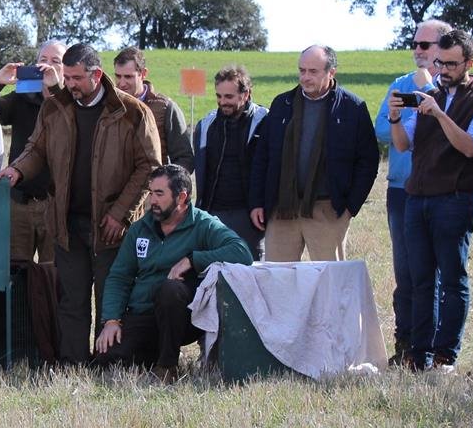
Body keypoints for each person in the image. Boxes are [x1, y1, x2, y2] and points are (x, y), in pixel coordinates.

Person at [0, 43, 160, 364]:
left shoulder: (132, 113)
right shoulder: (54, 109)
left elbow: (150, 167)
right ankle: (73, 363)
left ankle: (108, 362)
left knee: (110, 300)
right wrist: (16, 169)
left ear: (96, 75)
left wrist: (121, 214)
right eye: (66, 77)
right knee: (70, 300)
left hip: (112, 228)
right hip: (66, 225)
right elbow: (36, 150)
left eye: (75, 77)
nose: (69, 84)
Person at [388, 29, 473, 372]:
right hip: (417, 197)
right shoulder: (428, 95)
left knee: (452, 279)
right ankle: (417, 354)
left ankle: (445, 355)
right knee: (421, 280)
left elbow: (469, 146)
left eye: (451, 64)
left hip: (454, 199)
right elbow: (403, 144)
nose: (443, 70)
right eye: (439, 62)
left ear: (469, 62)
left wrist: (438, 113)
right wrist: (395, 115)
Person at [95, 164, 254, 381]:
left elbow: (242, 252)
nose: (152, 201)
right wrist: (112, 320)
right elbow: (119, 276)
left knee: (170, 290)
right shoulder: (139, 229)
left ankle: (167, 366)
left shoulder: (204, 224)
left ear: (181, 197)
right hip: (143, 313)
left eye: (159, 194)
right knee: (106, 359)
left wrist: (193, 259)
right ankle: (150, 354)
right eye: (151, 193)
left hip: (183, 317)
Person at [249, 45, 380, 262]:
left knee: (329, 281)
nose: (305, 77)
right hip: (283, 208)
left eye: (313, 71)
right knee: (278, 280)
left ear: (331, 72)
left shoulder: (352, 108)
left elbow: (368, 162)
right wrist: (256, 202)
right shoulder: (282, 104)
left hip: (328, 209)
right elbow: (262, 157)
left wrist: (349, 209)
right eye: (302, 70)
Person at [374, 19, 450, 365]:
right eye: (415, 44)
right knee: (405, 272)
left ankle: (430, 347)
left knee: (434, 274)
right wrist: (406, 118)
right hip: (401, 190)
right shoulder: (401, 84)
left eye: (426, 45)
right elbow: (381, 128)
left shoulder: (453, 88)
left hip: (441, 191)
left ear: (444, 47)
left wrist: (430, 92)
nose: (418, 51)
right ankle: (404, 344)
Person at [0, 40, 67, 264]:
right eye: (42, 60)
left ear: (66, 69)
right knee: (17, 273)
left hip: (56, 206)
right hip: (20, 202)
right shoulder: (23, 97)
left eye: (56, 61)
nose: (47, 67)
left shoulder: (73, 102)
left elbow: (66, 122)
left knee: (54, 274)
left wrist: (56, 89)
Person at [191, 64, 267, 260]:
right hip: (213, 213)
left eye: (229, 97)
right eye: (219, 96)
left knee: (250, 271)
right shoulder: (206, 125)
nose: (223, 102)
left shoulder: (265, 122)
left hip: (250, 215)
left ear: (246, 94)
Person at [112, 46, 195, 171]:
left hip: (152, 187)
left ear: (143, 74)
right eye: (118, 76)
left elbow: (184, 158)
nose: (122, 83)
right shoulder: (109, 107)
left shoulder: (166, 108)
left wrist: (168, 184)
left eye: (128, 77)